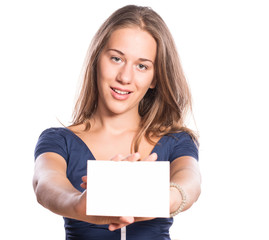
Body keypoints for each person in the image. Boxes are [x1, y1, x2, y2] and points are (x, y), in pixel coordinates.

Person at [33, 5, 201, 240]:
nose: (125, 77)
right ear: (97, 60)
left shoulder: (176, 141)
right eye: (116, 58)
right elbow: (46, 184)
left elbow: (190, 180)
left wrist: (162, 198)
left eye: (142, 66)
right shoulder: (58, 140)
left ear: (155, 78)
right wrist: (82, 204)